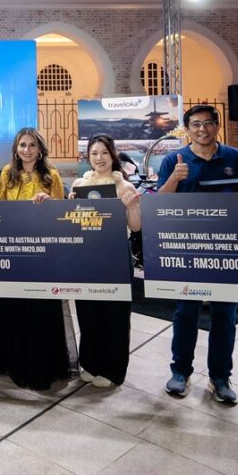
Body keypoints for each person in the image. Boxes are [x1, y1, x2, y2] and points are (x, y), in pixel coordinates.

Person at [157, 104, 238, 405]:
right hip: (188, 249)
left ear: (217, 126)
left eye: (208, 123)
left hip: (227, 248)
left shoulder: (236, 158)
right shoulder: (173, 161)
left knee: (224, 315)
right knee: (186, 313)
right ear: (187, 129)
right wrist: (174, 179)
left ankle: (220, 377)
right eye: (195, 124)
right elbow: (158, 204)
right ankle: (180, 372)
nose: (202, 129)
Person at [0, 127, 68, 390]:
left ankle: (39, 364)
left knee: (38, 310)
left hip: (42, 254)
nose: (27, 150)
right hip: (12, 252)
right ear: (16, 149)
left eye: (32, 145)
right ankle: (14, 364)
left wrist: (49, 202)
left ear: (40, 149)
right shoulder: (7, 173)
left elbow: (61, 214)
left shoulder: (51, 175)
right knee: (12, 308)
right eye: (22, 145)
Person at [69, 134, 142, 388]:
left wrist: (132, 207)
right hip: (85, 257)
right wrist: (70, 207)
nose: (99, 158)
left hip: (115, 257)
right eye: (94, 153)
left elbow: (136, 227)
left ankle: (112, 370)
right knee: (88, 314)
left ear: (113, 155)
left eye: (104, 153)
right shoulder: (79, 184)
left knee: (115, 316)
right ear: (88, 157)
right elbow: (73, 223)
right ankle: (90, 363)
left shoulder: (125, 187)